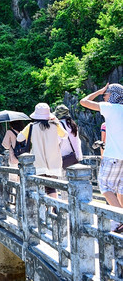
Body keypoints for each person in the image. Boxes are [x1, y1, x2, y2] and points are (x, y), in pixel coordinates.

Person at [80, 83, 123, 233]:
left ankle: (120, 218)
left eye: (107, 94)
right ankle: (119, 220)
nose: (105, 96)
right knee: (121, 188)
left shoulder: (111, 108)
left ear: (113, 95)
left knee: (104, 186)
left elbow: (83, 101)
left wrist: (99, 91)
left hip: (113, 154)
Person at [17, 103, 67, 199]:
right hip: (53, 161)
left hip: (37, 161)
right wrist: (55, 120)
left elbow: (19, 138)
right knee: (51, 188)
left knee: (38, 187)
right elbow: (65, 135)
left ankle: (43, 210)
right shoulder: (55, 125)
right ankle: (53, 209)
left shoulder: (31, 126)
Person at [54, 104, 83, 173]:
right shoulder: (72, 124)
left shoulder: (59, 125)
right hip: (75, 157)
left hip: (64, 157)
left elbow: (57, 141)